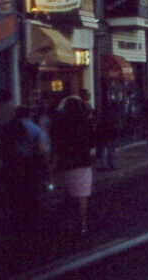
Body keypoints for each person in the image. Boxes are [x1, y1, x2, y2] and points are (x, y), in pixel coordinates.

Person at [51, 95, 95, 235]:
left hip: (67, 162)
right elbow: (92, 141)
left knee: (68, 194)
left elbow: (55, 142)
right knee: (82, 195)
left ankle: (69, 221)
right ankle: (83, 224)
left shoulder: (61, 123)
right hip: (83, 162)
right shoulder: (85, 122)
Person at [1, 105, 50, 231]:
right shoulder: (35, 129)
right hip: (29, 164)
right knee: (31, 193)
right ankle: (31, 221)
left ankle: (16, 220)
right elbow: (42, 150)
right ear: (29, 114)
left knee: (16, 192)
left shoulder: (8, 127)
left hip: (12, 164)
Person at [94, 102, 118, 169]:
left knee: (103, 151)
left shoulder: (101, 119)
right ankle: (110, 164)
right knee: (109, 150)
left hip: (104, 136)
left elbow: (99, 128)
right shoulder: (110, 118)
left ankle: (104, 164)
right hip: (109, 136)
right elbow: (113, 127)